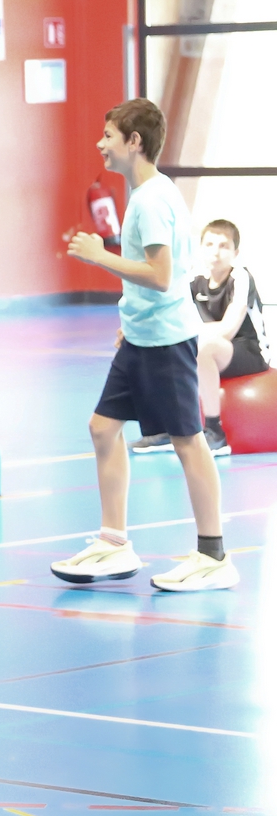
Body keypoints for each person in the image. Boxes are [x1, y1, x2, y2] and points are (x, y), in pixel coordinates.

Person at [58, 98, 238, 592]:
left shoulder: (151, 201)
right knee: (102, 429)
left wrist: (101, 257)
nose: (101, 143)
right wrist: (129, 320)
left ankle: (213, 554)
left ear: (134, 142)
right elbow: (170, 276)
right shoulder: (152, 193)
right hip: (139, 337)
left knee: (188, 442)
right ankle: (113, 544)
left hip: (165, 343)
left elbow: (161, 276)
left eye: (109, 135)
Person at [134, 218, 270, 455]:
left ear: (235, 252)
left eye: (223, 246)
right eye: (209, 245)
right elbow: (166, 316)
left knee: (204, 347)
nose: (215, 253)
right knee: (160, 346)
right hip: (208, 346)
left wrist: (186, 335)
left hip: (248, 351)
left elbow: (228, 330)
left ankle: (215, 431)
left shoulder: (240, 277)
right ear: (200, 249)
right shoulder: (194, 280)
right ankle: (167, 428)